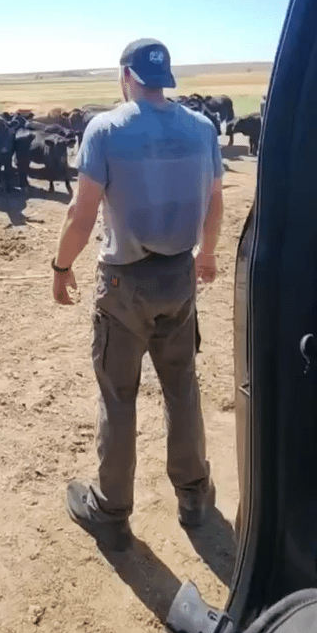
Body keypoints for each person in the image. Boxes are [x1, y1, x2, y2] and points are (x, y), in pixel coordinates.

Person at [51, 38, 223, 552]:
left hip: (124, 284)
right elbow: (216, 203)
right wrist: (207, 255)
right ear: (164, 76)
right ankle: (193, 496)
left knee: (118, 394)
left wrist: (61, 267)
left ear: (126, 74)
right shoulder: (201, 127)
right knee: (181, 387)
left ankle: (112, 509)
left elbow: (81, 215)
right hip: (179, 278)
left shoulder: (106, 128)